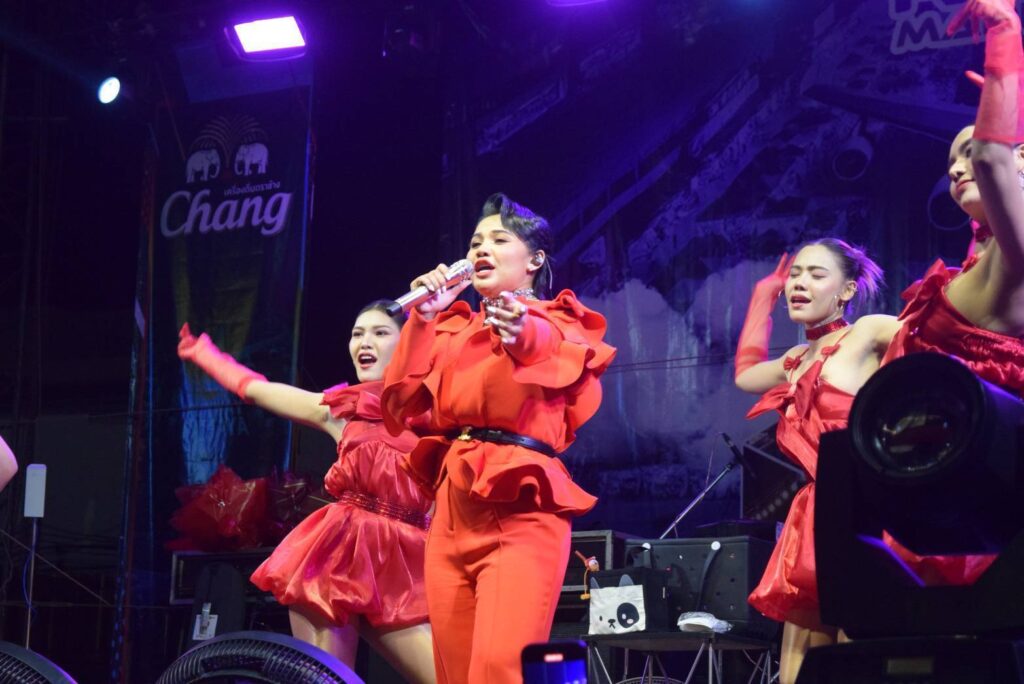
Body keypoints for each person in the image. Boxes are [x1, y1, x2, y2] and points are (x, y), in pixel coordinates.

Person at [381, 193, 615, 684]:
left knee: (499, 671)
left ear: (535, 260)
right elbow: (399, 402)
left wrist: (519, 329)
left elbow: (543, 345)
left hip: (519, 508)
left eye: (499, 239)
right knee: (454, 674)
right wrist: (423, 318)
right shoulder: (454, 330)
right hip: (452, 512)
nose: (481, 249)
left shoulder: (555, 319)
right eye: (474, 242)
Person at [177, 301, 435, 683]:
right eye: (357, 334)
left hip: (407, 564)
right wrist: (206, 355)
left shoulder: (441, 412)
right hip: (338, 556)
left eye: (380, 333)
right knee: (325, 680)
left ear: (411, 342)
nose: (364, 342)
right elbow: (258, 390)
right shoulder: (344, 410)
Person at [874, 0, 1024, 589]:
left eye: (968, 152)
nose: (957, 168)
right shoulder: (978, 261)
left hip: (970, 518)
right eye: (950, 159)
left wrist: (1005, 35)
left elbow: (992, 158)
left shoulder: (1016, 254)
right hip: (925, 486)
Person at [734, 239, 898, 684]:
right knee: (801, 658)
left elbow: (944, 336)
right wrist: (762, 297)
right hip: (813, 512)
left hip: (863, 504)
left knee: (857, 645)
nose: (799, 283)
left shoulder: (867, 332)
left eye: (816, 274)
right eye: (795, 274)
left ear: (847, 290)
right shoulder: (794, 361)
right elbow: (746, 374)